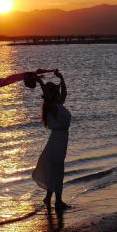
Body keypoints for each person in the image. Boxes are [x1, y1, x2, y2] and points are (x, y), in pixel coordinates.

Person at [32, 70, 71, 210]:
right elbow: (48, 97)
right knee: (58, 169)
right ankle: (58, 201)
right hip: (57, 141)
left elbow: (64, 92)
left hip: (60, 140)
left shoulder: (58, 104)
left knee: (56, 169)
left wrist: (62, 78)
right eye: (56, 90)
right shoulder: (52, 107)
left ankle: (48, 198)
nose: (59, 91)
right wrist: (40, 82)